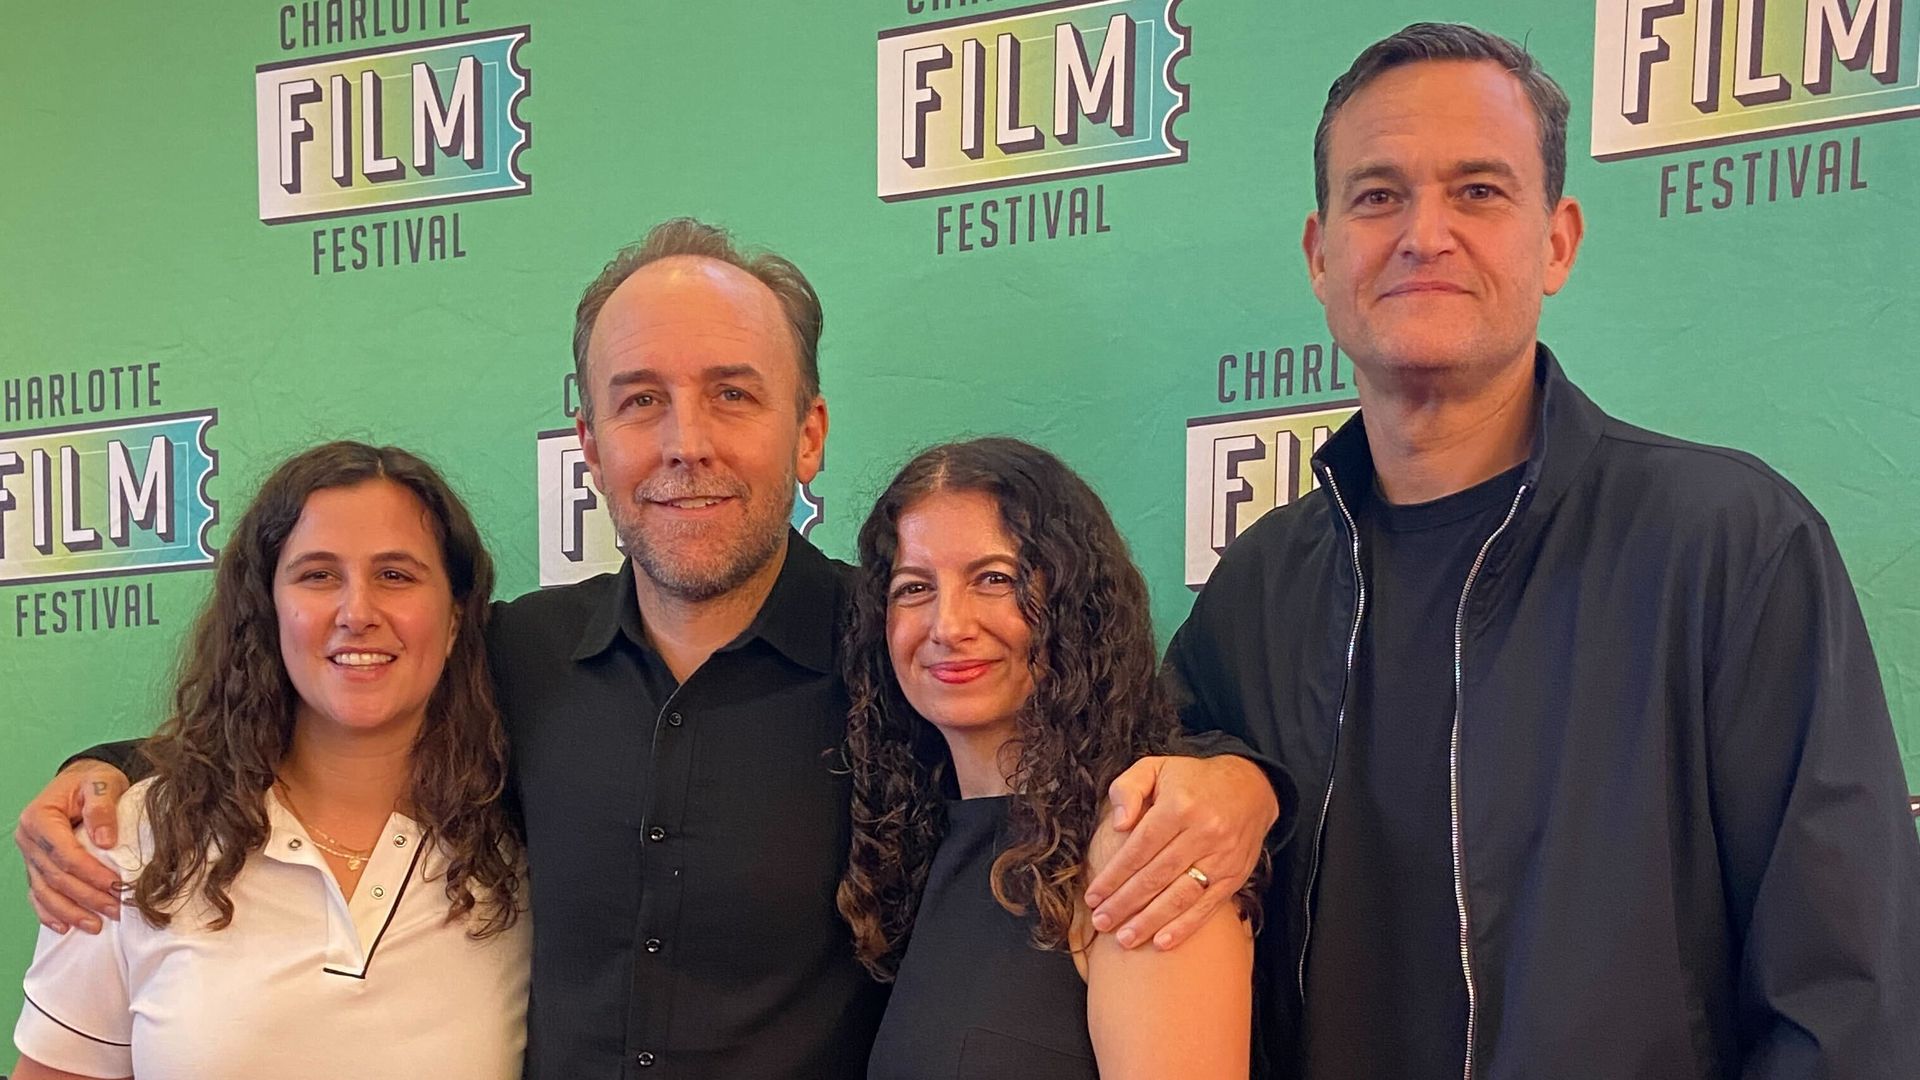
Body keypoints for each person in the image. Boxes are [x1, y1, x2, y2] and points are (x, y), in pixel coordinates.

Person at [16, 220, 1283, 1078]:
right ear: (590, 446)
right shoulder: (512, 658)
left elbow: (1101, 735)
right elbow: (327, 706)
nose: (686, 442)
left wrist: (1237, 777)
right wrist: (105, 771)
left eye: (734, 393)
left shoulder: (899, 648)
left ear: (809, 433)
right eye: (641, 401)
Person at [1165, 22, 1920, 1080]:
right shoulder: (1253, 596)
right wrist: (1238, 775)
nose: (1425, 233)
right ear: (1320, 253)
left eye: (1478, 191)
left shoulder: (1728, 547)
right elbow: (1151, 795)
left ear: (1557, 241)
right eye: (1378, 195)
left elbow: (1848, 1003)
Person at [10, 441, 528, 1080]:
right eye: (318, 575)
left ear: (454, 620)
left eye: (395, 574)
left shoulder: (525, 851)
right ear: (267, 610)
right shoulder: (134, 838)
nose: (357, 612)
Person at [841, 438, 1257, 1080]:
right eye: (915, 587)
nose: (948, 624)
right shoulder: (921, 850)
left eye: (994, 579)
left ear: (1075, 605)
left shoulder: (1143, 850)